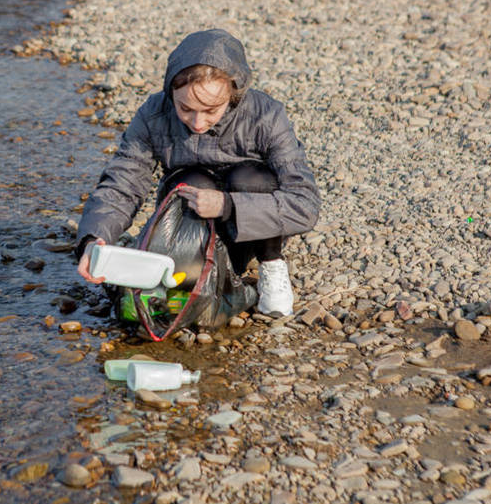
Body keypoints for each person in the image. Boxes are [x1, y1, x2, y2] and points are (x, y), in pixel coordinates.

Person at [75, 29, 320, 316]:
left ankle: (271, 264)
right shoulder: (154, 114)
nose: (198, 122)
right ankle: (195, 272)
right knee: (189, 182)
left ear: (233, 93)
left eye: (211, 110)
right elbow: (123, 183)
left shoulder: (266, 115)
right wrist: (93, 239)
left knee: (252, 178)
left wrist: (227, 205)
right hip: (188, 228)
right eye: (185, 108)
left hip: (249, 232)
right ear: (171, 92)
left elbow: (305, 205)